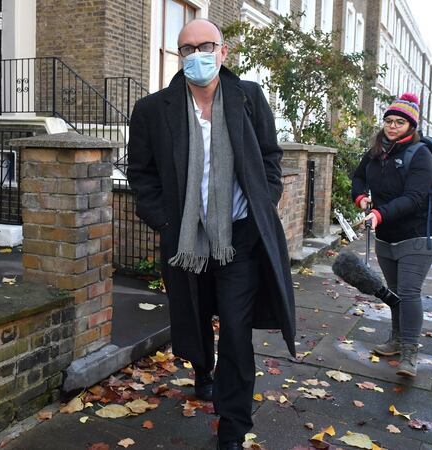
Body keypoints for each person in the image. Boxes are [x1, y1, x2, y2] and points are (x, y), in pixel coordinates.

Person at [126, 19, 295, 450]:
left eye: (206, 46)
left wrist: (264, 199)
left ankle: (233, 428)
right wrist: (165, 222)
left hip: (239, 238)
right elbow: (142, 176)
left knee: (237, 331)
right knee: (195, 316)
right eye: (186, 48)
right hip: (186, 240)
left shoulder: (249, 98)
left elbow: (270, 159)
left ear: (223, 52)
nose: (196, 55)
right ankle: (203, 369)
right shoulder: (152, 110)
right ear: (178, 55)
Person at [351, 93, 432, 377]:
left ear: (410, 125)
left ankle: (410, 351)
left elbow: (415, 198)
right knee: (394, 292)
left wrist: (379, 214)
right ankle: (397, 339)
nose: (391, 126)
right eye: (388, 120)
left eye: (399, 122)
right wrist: (361, 198)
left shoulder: (421, 154)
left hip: (417, 235)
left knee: (409, 292)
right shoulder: (378, 151)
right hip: (386, 235)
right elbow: (358, 177)